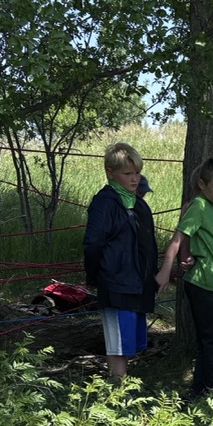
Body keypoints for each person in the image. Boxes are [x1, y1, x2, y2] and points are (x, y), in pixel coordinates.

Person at [157, 157, 213, 399]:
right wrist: (165, 270)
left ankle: (199, 390)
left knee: (207, 340)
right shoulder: (198, 206)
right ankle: (212, 392)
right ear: (202, 184)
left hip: (210, 282)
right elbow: (177, 239)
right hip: (202, 284)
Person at [84, 142, 159, 381]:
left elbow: (148, 245)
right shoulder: (104, 203)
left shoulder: (140, 205)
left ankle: (122, 385)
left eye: (137, 172)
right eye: (128, 174)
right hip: (115, 282)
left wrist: (152, 276)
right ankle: (117, 389)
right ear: (110, 172)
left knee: (128, 341)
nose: (135, 179)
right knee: (117, 343)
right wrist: (94, 275)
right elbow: (93, 243)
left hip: (138, 284)